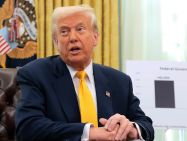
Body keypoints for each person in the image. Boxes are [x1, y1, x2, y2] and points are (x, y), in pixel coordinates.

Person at [15, 5, 154, 141]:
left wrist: (131, 129)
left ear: (95, 37)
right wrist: (90, 133)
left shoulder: (119, 80)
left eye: (80, 29)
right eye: (64, 32)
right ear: (56, 41)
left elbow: (146, 125)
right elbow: (28, 127)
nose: (72, 38)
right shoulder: (35, 74)